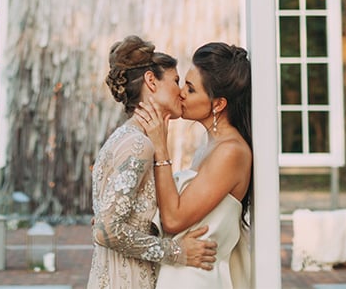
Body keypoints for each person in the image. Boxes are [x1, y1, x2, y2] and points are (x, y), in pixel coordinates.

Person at [87, 35, 219, 289]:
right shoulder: (138, 145)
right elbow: (106, 230)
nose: (181, 91)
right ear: (151, 81)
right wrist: (176, 251)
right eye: (176, 81)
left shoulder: (127, 137)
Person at [135, 41, 253, 289]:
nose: (180, 93)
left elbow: (174, 220)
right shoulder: (209, 144)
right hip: (181, 272)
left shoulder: (231, 151)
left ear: (218, 104)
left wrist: (161, 147)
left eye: (190, 89)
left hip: (198, 278)